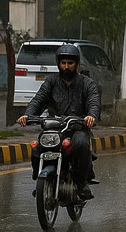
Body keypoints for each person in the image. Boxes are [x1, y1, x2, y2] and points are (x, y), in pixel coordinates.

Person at [18, 44, 100, 200]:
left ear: (76, 64)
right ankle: (42, 182)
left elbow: (93, 102)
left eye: (70, 63)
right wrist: (27, 115)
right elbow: (38, 100)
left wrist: (91, 116)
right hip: (54, 128)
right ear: (58, 64)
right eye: (63, 63)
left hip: (78, 128)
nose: (66, 66)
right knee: (38, 147)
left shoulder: (86, 83)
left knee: (81, 144)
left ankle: (81, 183)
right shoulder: (51, 82)